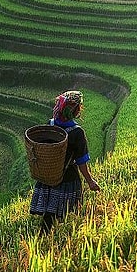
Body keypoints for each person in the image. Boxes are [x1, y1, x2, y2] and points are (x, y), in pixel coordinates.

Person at [29, 90, 101, 232]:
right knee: (58, 214)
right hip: (67, 178)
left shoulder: (50, 125)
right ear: (76, 110)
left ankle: (46, 236)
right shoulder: (77, 132)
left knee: (49, 211)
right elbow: (81, 162)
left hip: (48, 175)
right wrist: (90, 182)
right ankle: (51, 239)